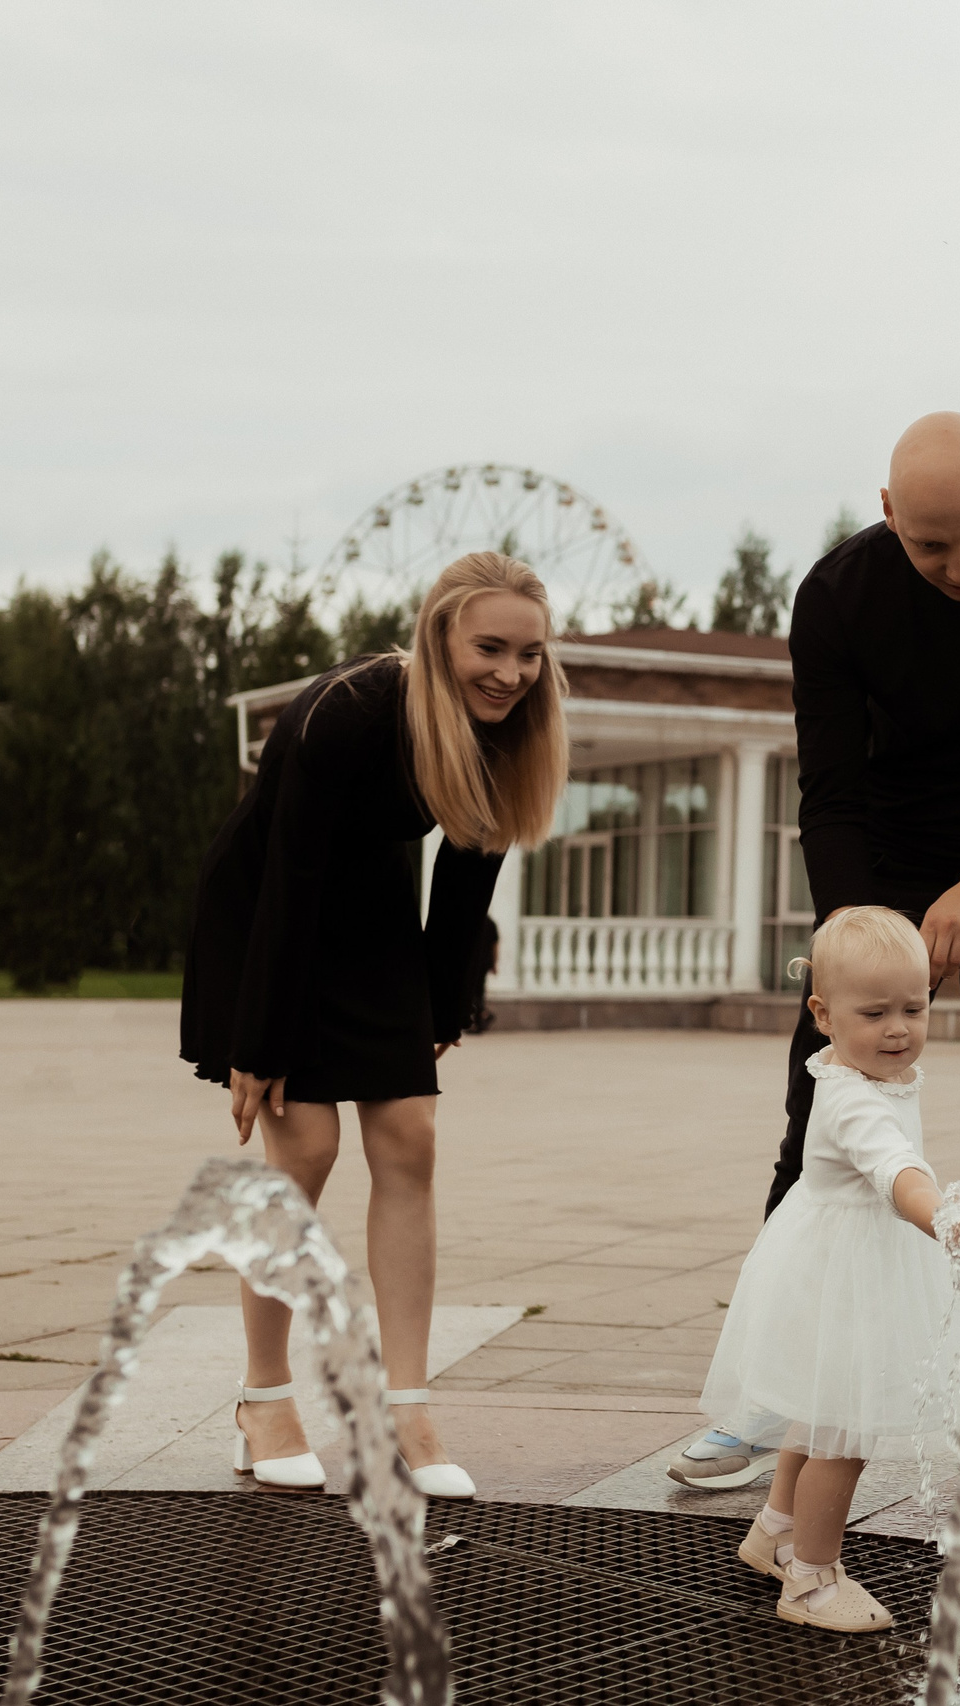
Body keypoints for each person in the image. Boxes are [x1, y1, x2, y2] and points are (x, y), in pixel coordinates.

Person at [669, 413, 960, 1556]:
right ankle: (778, 1396)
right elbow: (828, 787)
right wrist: (860, 935)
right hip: (879, 865)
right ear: (889, 517)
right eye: (934, 549)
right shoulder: (837, 593)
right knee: (822, 1136)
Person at [179, 551, 567, 1499]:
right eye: (489, 647)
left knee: (409, 1137)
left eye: (528, 654)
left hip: (378, 927)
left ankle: (408, 1407)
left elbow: (466, 881)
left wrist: (440, 1012)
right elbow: (289, 877)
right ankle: (262, 1399)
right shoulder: (342, 713)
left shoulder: (507, 725)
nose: (510, 673)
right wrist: (258, 1042)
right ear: (438, 633)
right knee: (304, 1148)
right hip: (272, 917)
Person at [699, 906, 960, 1633]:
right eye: (874, 1012)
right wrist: (941, 1215)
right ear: (822, 1013)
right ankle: (812, 1578)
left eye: (916, 1007)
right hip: (850, 1268)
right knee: (845, 1435)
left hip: (840, 1262)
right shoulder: (849, 1094)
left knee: (818, 1411)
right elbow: (892, 1163)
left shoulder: (869, 1067)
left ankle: (777, 1531)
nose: (900, 1028)